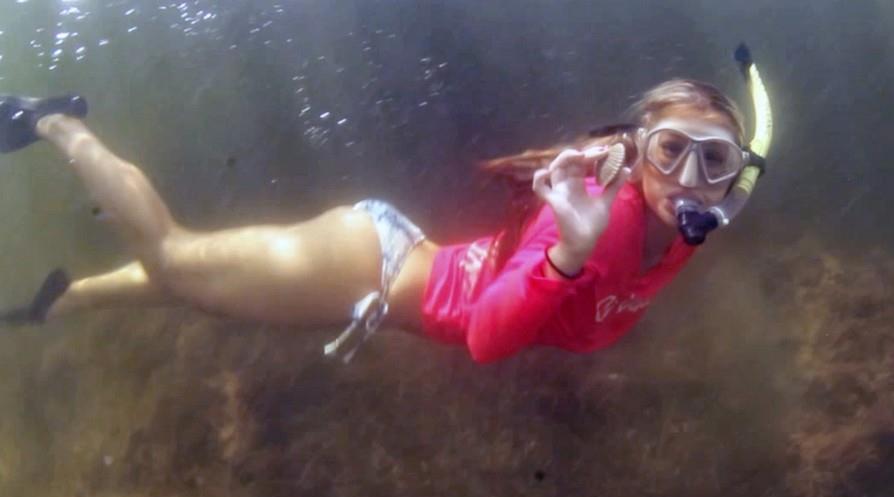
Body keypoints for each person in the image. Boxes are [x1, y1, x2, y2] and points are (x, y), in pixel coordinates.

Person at [0, 46, 771, 364]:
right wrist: (568, 251)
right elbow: (486, 339)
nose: (690, 181)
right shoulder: (595, 221)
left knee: (189, 285)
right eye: (671, 151)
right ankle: (51, 120)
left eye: (716, 163)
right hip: (366, 263)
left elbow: (749, 146)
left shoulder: (696, 220)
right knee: (172, 254)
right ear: (636, 152)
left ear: (736, 177)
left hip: (383, 265)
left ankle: (55, 306)